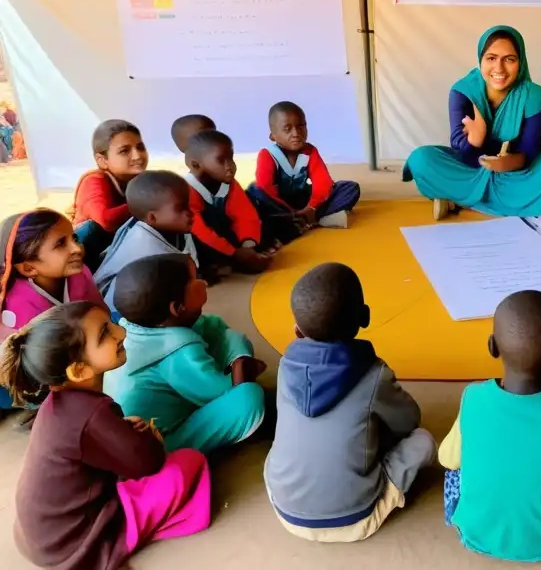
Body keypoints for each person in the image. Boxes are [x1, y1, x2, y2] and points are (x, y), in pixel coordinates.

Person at [0, 302, 210, 570]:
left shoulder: (58, 404)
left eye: (110, 323)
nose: (120, 332)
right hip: (71, 542)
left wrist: (121, 432)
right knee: (187, 465)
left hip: (39, 538)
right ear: (78, 371)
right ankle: (120, 539)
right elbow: (148, 464)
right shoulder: (92, 412)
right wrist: (149, 441)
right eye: (104, 334)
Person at [265, 263, 435, 541]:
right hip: (354, 518)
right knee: (423, 441)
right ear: (365, 317)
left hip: (285, 509)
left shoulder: (285, 366)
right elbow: (409, 420)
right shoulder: (373, 374)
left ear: (297, 331)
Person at [439, 291, 541, 561]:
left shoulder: (472, 398)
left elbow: (447, 459)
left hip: (473, 534)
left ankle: (460, 517)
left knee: (456, 469)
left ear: (492, 347)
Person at [403, 26, 541, 220]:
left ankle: (458, 199)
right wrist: (476, 139)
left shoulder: (535, 97)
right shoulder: (462, 91)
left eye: (509, 59)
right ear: (481, 59)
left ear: (521, 62)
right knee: (421, 159)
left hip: (516, 171)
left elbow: (529, 152)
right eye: (491, 58)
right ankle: (513, 204)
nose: (499, 68)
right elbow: (460, 148)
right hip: (472, 166)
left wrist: (504, 163)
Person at [104, 254, 266, 454]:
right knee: (248, 398)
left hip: (170, 400)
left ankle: (237, 368)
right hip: (161, 442)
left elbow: (211, 326)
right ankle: (240, 372)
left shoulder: (140, 326)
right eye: (195, 278)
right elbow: (215, 392)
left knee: (227, 335)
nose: (203, 282)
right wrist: (240, 371)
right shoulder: (177, 353)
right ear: (177, 308)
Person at [0, 209, 106, 412]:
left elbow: (100, 312)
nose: (76, 248)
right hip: (28, 374)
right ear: (29, 268)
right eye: (61, 244)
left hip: (68, 351)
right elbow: (38, 368)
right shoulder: (19, 305)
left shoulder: (79, 272)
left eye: (73, 237)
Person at [246, 101, 361, 242]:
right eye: (287, 129)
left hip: (303, 201)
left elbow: (323, 182)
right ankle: (308, 219)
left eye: (301, 127)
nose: (296, 134)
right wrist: (290, 211)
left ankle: (304, 219)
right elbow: (266, 189)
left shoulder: (310, 151)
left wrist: (311, 207)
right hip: (278, 204)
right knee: (255, 192)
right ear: (273, 136)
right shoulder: (267, 155)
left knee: (349, 188)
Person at [93, 171, 198, 313]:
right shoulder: (149, 252)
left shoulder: (159, 226)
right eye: (181, 208)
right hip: (120, 313)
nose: (190, 212)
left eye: (189, 205)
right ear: (152, 217)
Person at [184, 129, 274, 276]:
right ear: (196, 165)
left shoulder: (228, 183)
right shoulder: (186, 189)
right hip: (201, 240)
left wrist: (248, 245)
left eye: (231, 158)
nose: (230, 166)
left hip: (223, 238)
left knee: (259, 213)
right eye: (221, 160)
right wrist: (233, 253)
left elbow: (245, 214)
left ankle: (243, 257)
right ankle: (216, 265)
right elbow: (200, 232)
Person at [69, 120, 149, 270]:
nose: (137, 156)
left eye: (140, 147)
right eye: (124, 151)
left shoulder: (137, 179)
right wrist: (148, 201)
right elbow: (106, 219)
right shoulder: (94, 180)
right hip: (85, 258)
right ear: (102, 160)